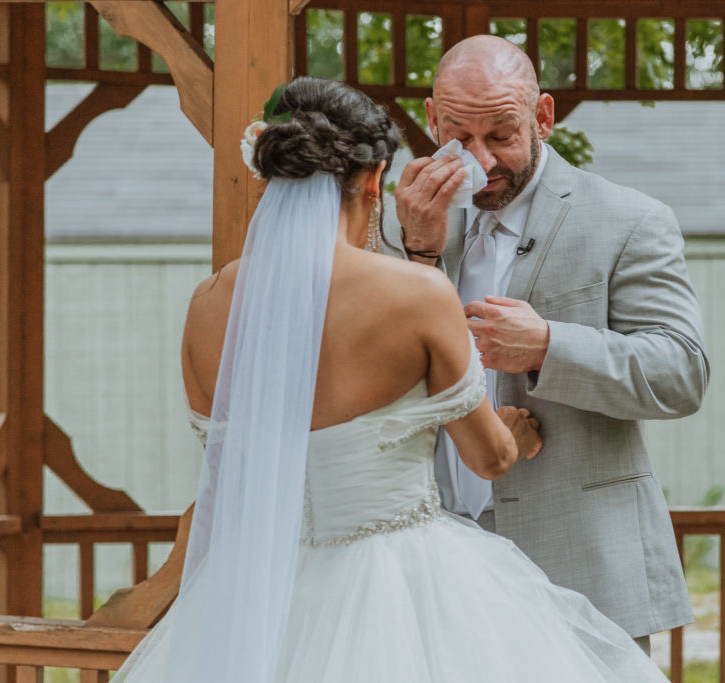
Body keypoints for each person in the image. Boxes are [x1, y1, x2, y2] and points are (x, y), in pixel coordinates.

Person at [112, 76, 668, 682]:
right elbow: (488, 458)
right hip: (400, 584)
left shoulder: (208, 302)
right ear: (375, 180)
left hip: (260, 588)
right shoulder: (417, 293)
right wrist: (514, 433)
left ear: (270, 172)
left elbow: (224, 468)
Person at [391, 35, 710, 650]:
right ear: (431, 118)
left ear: (543, 116)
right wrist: (418, 254)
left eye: (501, 135)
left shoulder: (630, 220)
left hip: (581, 565)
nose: (480, 160)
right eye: (459, 136)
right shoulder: (392, 226)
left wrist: (549, 347)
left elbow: (682, 373)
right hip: (429, 567)